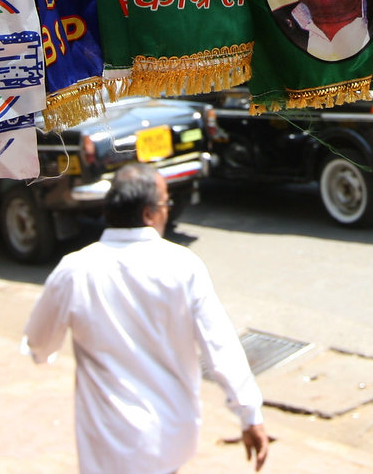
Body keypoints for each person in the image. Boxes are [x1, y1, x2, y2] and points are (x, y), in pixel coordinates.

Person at [24, 164, 268, 474]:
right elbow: (220, 349)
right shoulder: (183, 266)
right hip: (168, 442)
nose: (168, 211)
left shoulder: (75, 270)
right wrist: (250, 414)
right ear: (149, 214)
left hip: (106, 446)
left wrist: (43, 352)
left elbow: (38, 345)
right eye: (166, 203)